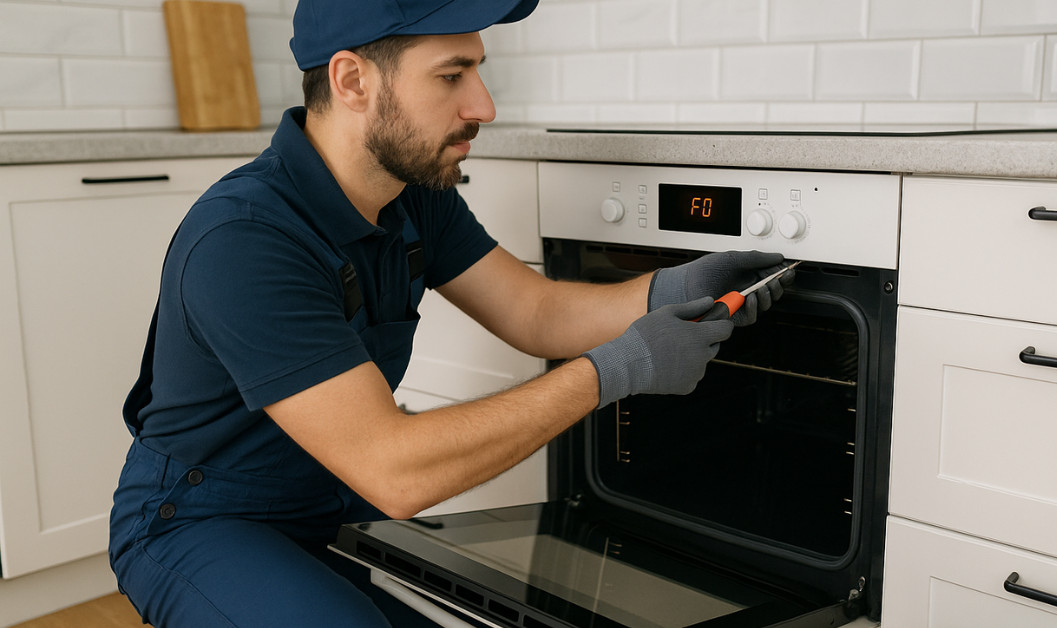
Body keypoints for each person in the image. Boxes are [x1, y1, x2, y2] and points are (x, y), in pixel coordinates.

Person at [108, 0, 795, 626]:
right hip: (201, 519)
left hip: (334, 500)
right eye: (452, 75)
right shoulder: (246, 239)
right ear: (352, 82)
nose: (484, 106)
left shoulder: (411, 195)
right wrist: (619, 367)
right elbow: (395, 471)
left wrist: (668, 292)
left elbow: (534, 310)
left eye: (478, 71)